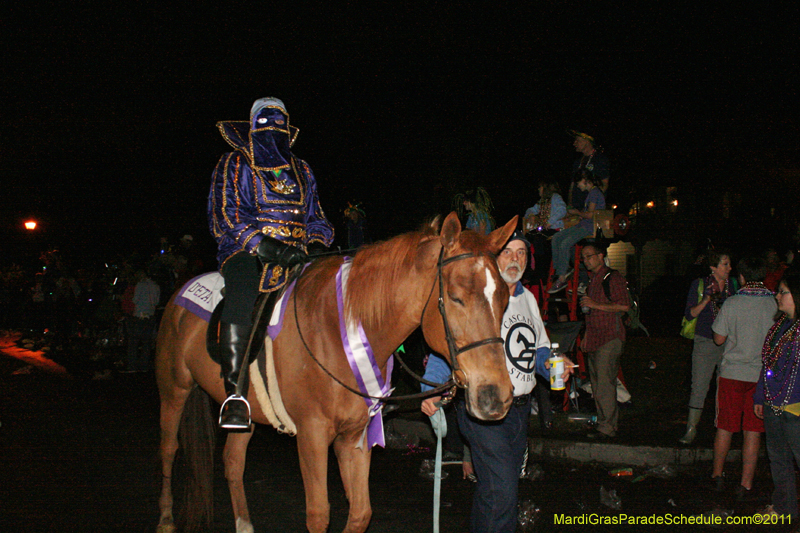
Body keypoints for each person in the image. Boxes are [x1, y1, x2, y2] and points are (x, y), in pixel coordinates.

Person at [421, 231, 573, 533]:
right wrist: (431, 388)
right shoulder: (481, 294)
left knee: (495, 490)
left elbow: (538, 349)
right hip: (485, 408)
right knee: (503, 491)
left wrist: (552, 364)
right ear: (493, 257)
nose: (515, 259)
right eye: (507, 252)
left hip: (519, 411)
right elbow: (453, 343)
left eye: (521, 253)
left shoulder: (529, 299)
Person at [208, 97, 334, 429]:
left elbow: (315, 216)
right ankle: (235, 394)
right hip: (246, 250)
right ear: (252, 126)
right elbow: (228, 216)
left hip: (297, 253)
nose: (273, 128)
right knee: (243, 290)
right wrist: (268, 247)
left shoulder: (301, 169)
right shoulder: (236, 162)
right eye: (266, 122)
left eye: (280, 122)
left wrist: (316, 243)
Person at [709, 256, 776, 498]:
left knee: (725, 427)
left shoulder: (733, 302)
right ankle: (745, 484)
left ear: (742, 277)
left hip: (732, 374)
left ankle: (717, 475)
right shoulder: (774, 304)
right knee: (753, 431)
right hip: (760, 377)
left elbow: (718, 339)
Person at [678, 250, 738, 444]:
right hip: (705, 341)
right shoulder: (700, 284)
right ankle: (691, 428)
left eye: (729, 264)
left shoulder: (733, 285)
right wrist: (706, 299)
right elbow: (690, 314)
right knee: (699, 386)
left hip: (729, 343)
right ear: (713, 267)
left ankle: (723, 429)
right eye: (725, 264)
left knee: (725, 387)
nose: (729, 268)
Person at [754, 271, 800, 518]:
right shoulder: (779, 327)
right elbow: (768, 365)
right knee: (779, 460)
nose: (777, 296)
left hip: (795, 408)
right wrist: (760, 396)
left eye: (783, 292)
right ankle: (784, 508)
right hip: (773, 404)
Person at [579, 242, 629, 439]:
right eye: (583, 258)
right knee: (597, 384)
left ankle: (607, 427)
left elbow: (624, 306)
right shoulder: (593, 280)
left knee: (604, 384)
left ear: (600, 256)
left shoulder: (612, 277)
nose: (586, 261)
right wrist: (586, 336)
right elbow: (591, 314)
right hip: (596, 338)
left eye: (589, 256)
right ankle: (604, 424)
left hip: (609, 337)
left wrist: (595, 304)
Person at [548, 173, 605, 294]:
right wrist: (578, 215)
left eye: (578, 183)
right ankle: (560, 271)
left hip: (589, 227)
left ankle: (562, 277)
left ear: (585, 180)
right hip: (583, 224)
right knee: (556, 237)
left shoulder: (594, 193)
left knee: (565, 243)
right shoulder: (591, 193)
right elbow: (587, 214)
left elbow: (590, 215)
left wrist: (577, 213)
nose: (578, 186)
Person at [524, 179, 567, 285]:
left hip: (554, 229)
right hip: (544, 230)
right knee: (527, 237)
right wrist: (531, 215)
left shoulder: (555, 197)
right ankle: (531, 269)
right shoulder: (542, 201)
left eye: (540, 187)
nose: (538, 189)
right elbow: (530, 210)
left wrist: (550, 222)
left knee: (538, 240)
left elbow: (562, 210)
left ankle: (541, 272)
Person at [124, 269, 161, 373]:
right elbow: (156, 302)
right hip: (150, 315)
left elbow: (135, 299)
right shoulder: (156, 286)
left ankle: (132, 366)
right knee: (146, 343)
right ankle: (144, 366)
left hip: (139, 315)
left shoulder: (140, 285)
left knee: (134, 342)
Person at [567, 129, 610, 210]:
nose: (574, 143)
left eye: (577, 140)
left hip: (590, 209)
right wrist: (570, 204)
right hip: (577, 208)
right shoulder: (578, 162)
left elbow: (604, 184)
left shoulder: (600, 160)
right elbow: (572, 185)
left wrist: (591, 205)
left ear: (587, 141)